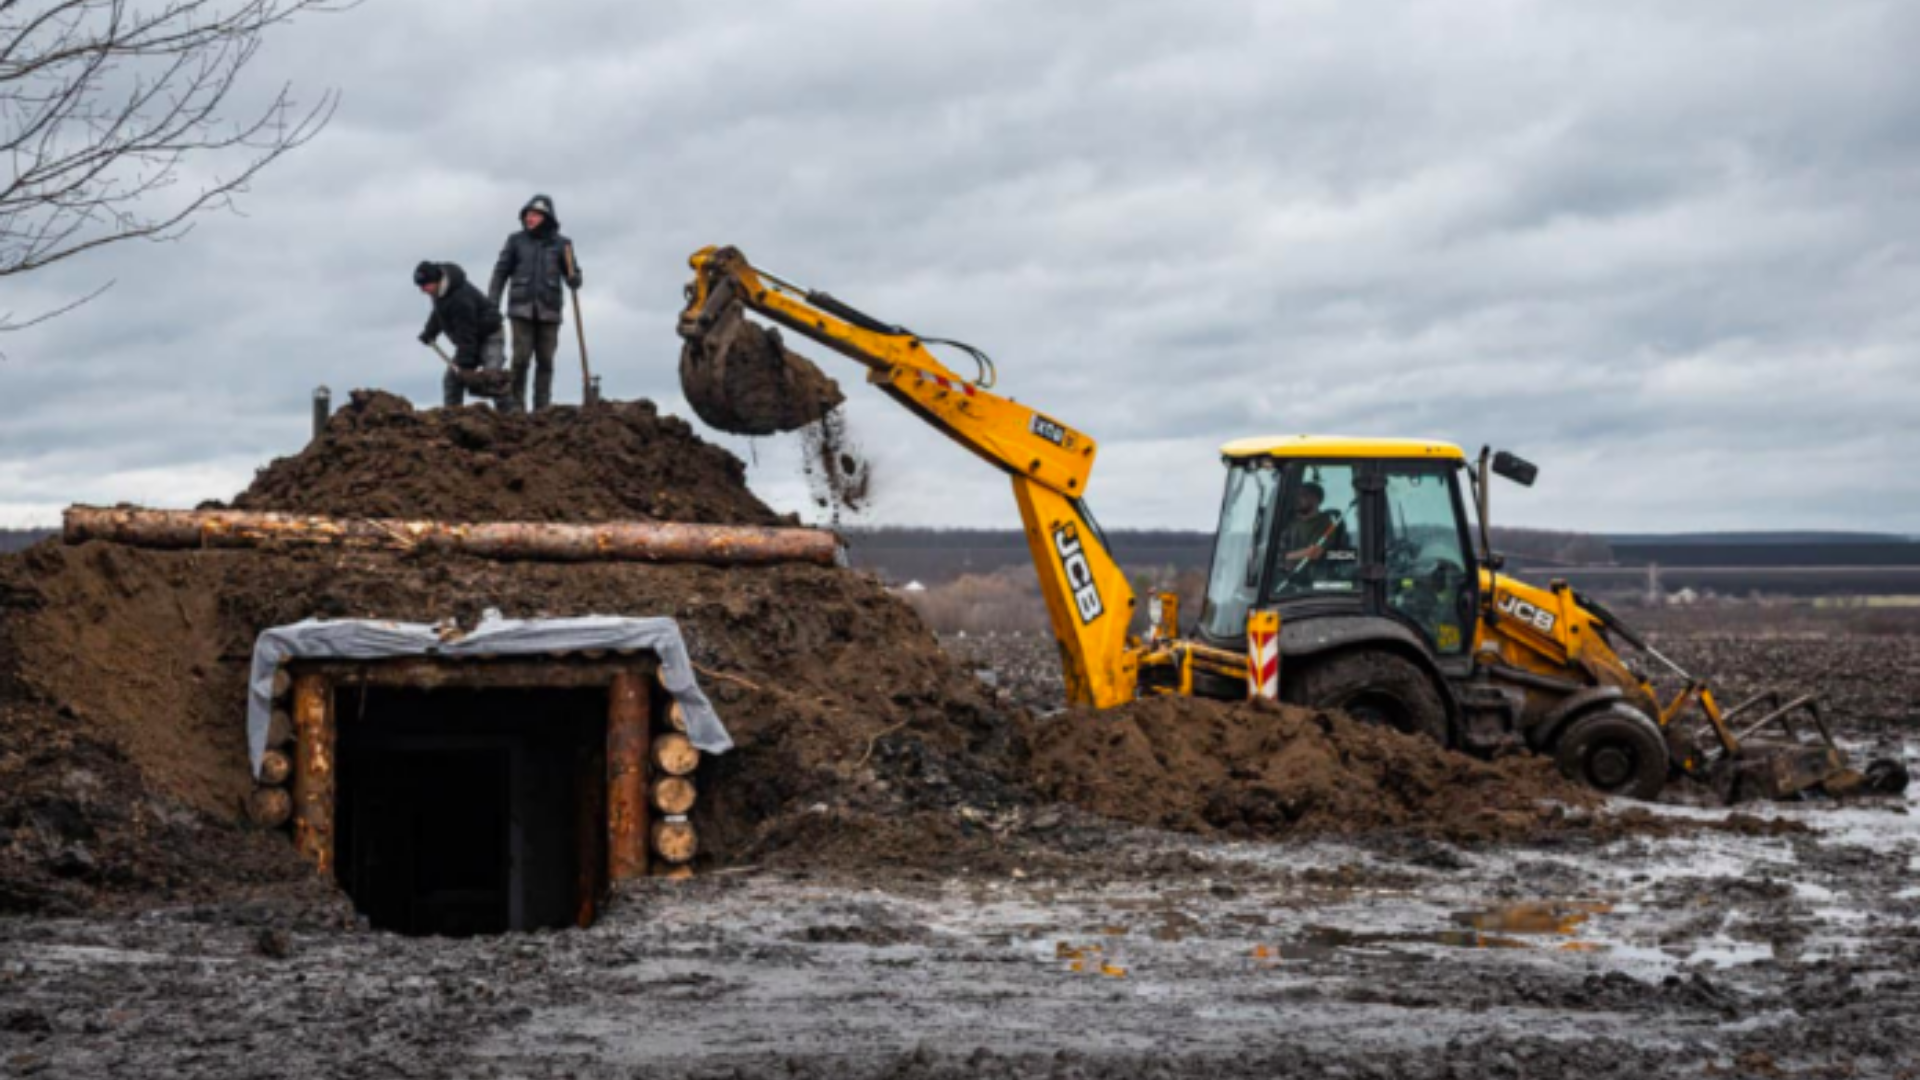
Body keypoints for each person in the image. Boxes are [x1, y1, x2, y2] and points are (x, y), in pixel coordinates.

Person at [488, 193, 582, 412]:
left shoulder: (563, 245)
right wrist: (492, 303)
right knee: (520, 359)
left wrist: (574, 278)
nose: (530, 218)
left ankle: (542, 408)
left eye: (535, 215)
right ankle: (517, 407)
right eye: (528, 214)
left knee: (546, 361)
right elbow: (500, 273)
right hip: (521, 309)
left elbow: (574, 275)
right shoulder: (515, 241)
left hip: (549, 311)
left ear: (547, 218)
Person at [415, 261, 507, 408]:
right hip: (469, 339)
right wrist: (429, 332)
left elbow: (467, 333)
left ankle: (512, 419)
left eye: (425, 286)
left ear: (436, 280)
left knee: (493, 380)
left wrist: (465, 367)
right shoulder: (439, 293)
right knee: (451, 380)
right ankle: (452, 417)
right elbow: (439, 314)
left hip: (489, 335)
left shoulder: (460, 299)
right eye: (421, 287)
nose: (423, 290)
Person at [1280, 482, 1349, 565]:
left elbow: (1316, 552)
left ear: (1315, 499)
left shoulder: (1327, 525)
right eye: (1296, 495)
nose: (1297, 499)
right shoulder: (1288, 523)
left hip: (1313, 575)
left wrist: (1287, 556)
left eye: (1303, 495)